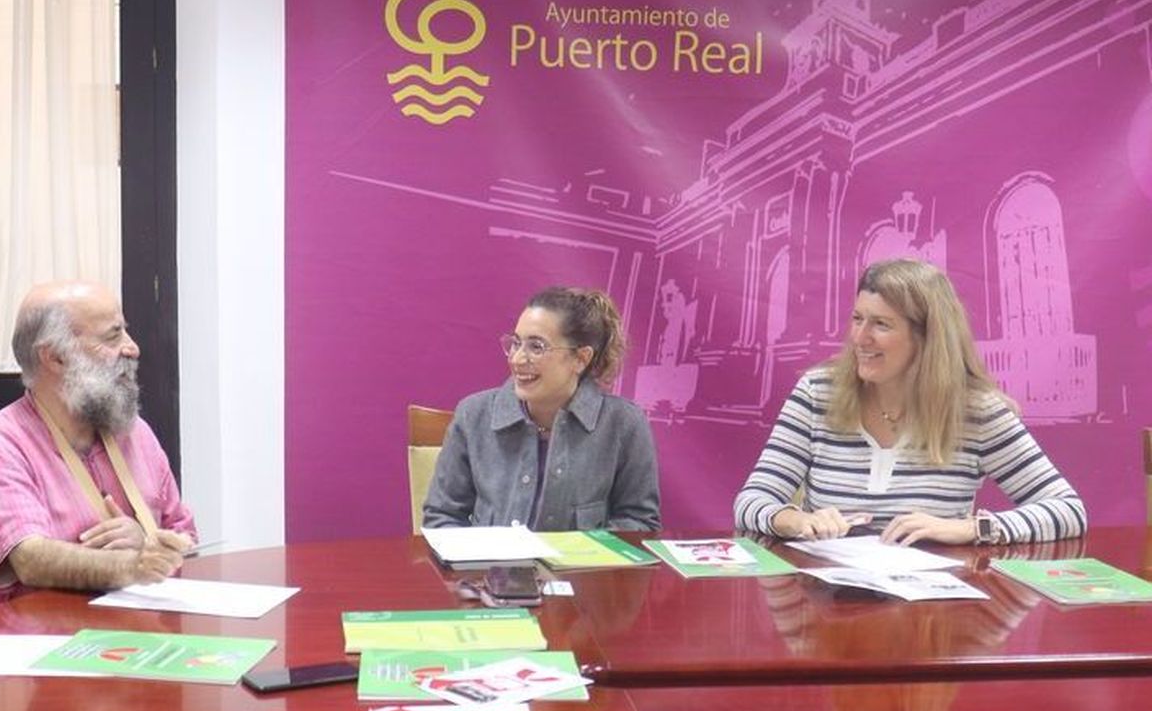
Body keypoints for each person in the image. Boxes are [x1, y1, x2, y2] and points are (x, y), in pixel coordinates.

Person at [734, 258, 1086, 545]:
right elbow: (751, 503)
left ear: (926, 338)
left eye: (881, 324)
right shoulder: (816, 393)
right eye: (857, 318)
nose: (860, 337)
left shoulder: (977, 412)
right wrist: (798, 521)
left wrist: (970, 529)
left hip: (935, 616)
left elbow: (1069, 511)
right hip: (829, 606)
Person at [0, 281, 195, 608]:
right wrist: (133, 565)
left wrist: (148, 540)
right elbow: (30, 560)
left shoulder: (135, 433)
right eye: (112, 336)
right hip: (46, 647)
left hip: (144, 635)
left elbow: (187, 540)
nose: (133, 347)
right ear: (55, 358)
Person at [423, 286, 661, 532]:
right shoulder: (473, 415)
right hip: (487, 571)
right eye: (516, 343)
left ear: (581, 358)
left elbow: (639, 524)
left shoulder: (624, 424)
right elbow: (442, 518)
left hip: (583, 571)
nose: (516, 359)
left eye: (536, 347)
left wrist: (575, 556)